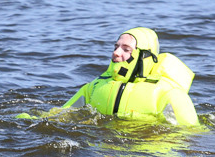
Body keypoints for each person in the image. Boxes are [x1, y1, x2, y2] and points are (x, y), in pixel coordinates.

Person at [62, 27, 198, 126]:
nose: (116, 53)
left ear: (144, 57)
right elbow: (58, 116)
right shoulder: (94, 87)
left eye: (126, 49)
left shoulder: (169, 94)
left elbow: (191, 136)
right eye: (116, 47)